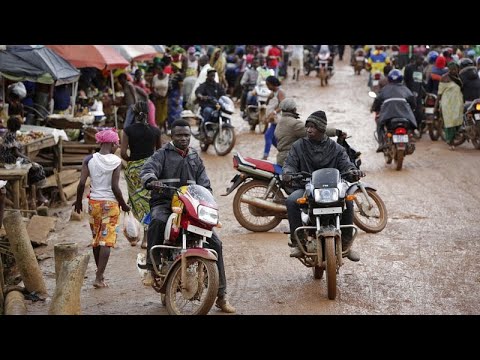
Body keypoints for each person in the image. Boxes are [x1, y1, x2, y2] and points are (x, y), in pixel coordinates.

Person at [139, 119, 236, 313]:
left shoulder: (194, 157)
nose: (183, 139)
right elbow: (147, 170)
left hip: (191, 206)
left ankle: (221, 296)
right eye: (179, 135)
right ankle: (152, 266)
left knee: (216, 243)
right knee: (157, 221)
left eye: (186, 135)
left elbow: (205, 184)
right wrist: (152, 181)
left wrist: (206, 194)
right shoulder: (161, 155)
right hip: (165, 203)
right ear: (171, 136)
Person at [282, 111, 363, 261]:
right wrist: (288, 173)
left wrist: (353, 172)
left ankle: (346, 244)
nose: (309, 130)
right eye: (308, 126)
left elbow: (346, 164)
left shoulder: (336, 148)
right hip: (306, 188)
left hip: (332, 188)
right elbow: (289, 164)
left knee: (348, 201)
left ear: (321, 129)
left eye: (313, 127)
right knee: (291, 201)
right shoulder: (298, 146)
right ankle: (298, 243)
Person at [74, 129, 130, 288]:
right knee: (106, 241)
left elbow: (81, 184)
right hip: (110, 205)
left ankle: (100, 274)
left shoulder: (89, 159)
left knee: (96, 239)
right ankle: (99, 277)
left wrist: (78, 201)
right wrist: (124, 204)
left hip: (94, 204)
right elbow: (115, 187)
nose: (116, 147)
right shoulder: (116, 161)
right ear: (112, 144)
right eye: (116, 144)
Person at [121, 101, 161, 248]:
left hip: (133, 172)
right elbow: (159, 153)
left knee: (135, 200)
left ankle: (134, 234)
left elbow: (123, 153)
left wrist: (134, 160)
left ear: (134, 114)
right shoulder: (155, 131)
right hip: (150, 170)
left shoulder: (127, 130)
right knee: (148, 202)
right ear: (148, 114)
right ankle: (146, 238)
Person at [0, 116, 48, 206]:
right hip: (10, 163)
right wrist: (27, 158)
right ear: (18, 126)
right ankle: (38, 194)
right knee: (37, 167)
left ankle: (32, 194)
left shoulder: (8, 133)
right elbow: (16, 152)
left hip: (9, 161)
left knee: (32, 167)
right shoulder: (11, 135)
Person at [371, 69, 417, 153]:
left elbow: (377, 101)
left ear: (389, 79)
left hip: (388, 115)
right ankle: (412, 138)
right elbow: (412, 101)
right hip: (405, 115)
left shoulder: (385, 89)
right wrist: (412, 108)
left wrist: (373, 108)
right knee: (411, 126)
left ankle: (382, 143)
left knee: (379, 124)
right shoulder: (405, 89)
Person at [436, 62, 464, 150]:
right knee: (449, 123)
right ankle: (451, 142)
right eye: (452, 69)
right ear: (449, 69)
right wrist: (436, 106)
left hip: (457, 103)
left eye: (455, 69)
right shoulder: (444, 78)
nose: (454, 71)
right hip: (447, 104)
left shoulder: (458, 77)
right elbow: (439, 93)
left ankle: (453, 138)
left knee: (457, 122)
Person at [274, 98, 305, 166]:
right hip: (292, 160)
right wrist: (333, 131)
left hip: (281, 159)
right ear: (293, 109)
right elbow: (314, 131)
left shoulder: (280, 122)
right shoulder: (295, 124)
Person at [262, 76, 286, 160]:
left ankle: (265, 156)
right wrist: (269, 97)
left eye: (268, 85)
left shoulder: (280, 92)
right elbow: (267, 103)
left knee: (268, 136)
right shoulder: (273, 93)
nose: (267, 87)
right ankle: (283, 152)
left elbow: (283, 105)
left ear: (273, 84)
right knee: (272, 139)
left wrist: (274, 112)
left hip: (278, 120)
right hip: (273, 120)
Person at [404, 55, 425, 131]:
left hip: (419, 94)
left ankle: (417, 127)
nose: (422, 62)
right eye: (420, 60)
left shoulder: (421, 68)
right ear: (416, 59)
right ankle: (410, 128)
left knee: (419, 112)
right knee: (410, 111)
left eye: (423, 60)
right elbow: (405, 80)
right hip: (410, 94)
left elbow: (421, 81)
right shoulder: (409, 68)